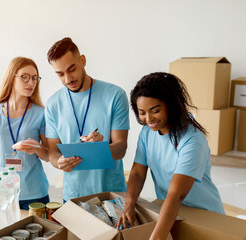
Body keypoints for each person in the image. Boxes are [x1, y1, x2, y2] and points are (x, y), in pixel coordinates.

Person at [116, 72, 224, 239]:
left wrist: (156, 237)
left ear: (171, 105)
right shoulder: (147, 133)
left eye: (155, 110)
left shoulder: (193, 140)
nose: (148, 118)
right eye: (142, 112)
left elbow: (176, 194)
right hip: (173, 213)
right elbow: (138, 172)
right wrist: (129, 204)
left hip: (204, 215)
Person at [45, 37, 130, 202]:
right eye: (60, 74)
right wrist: (59, 162)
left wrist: (100, 148)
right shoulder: (52, 105)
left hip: (113, 195)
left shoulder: (115, 95)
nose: (68, 79)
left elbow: (121, 148)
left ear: (82, 60)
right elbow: (52, 151)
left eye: (72, 69)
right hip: (73, 196)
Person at [0, 57, 50, 209]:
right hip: (2, 191)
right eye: (25, 77)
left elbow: (48, 155)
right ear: (11, 77)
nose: (31, 83)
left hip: (34, 193)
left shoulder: (41, 114)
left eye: (35, 79)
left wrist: (36, 148)